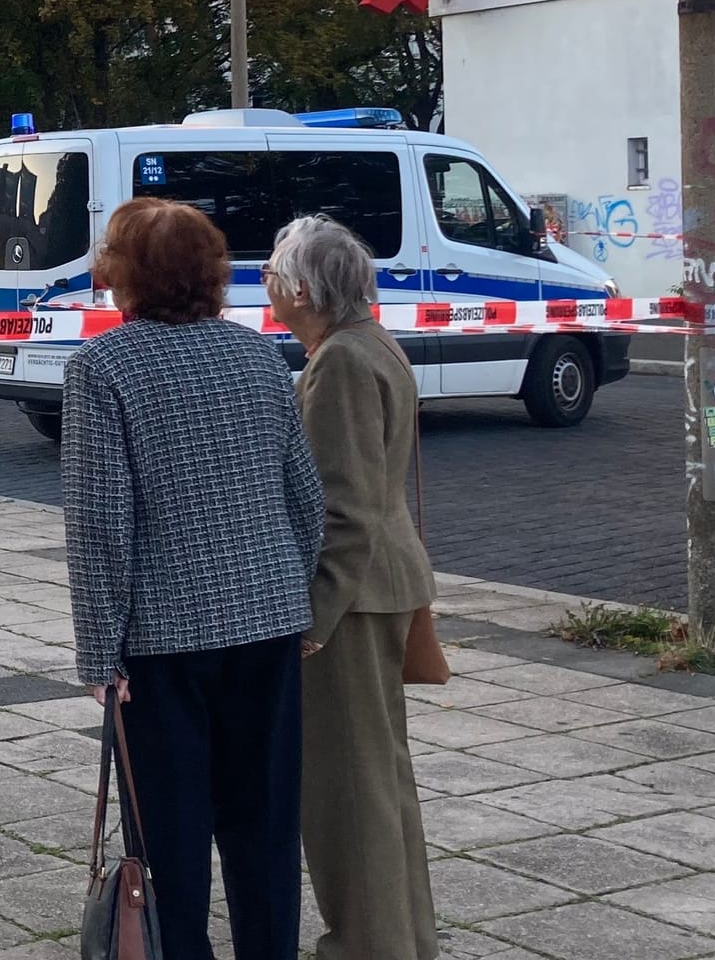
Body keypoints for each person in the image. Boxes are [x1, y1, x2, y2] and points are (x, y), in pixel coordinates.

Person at [63, 198, 324, 960]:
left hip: (161, 643)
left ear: (121, 275)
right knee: (265, 826)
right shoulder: (259, 356)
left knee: (171, 839)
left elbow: (99, 525)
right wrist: (291, 592)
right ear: (211, 273)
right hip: (269, 623)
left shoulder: (101, 368)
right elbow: (306, 500)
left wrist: (97, 655)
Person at [264, 215, 438, 960]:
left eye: (274, 272)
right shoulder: (372, 343)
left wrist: (315, 615)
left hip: (354, 600)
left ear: (301, 288)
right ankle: (402, 939)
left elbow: (347, 501)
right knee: (383, 779)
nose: (267, 285)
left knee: (349, 789)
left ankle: (365, 945)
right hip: (386, 583)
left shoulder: (337, 361)